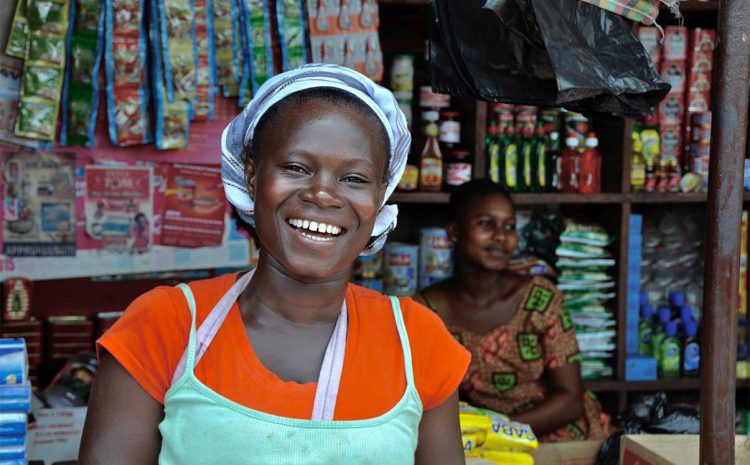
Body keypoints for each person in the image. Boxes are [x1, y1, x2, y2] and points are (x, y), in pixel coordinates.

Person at [78, 64, 470, 465]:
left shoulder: (418, 343)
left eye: (354, 178)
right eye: (296, 168)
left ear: (380, 197)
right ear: (251, 177)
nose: (322, 194)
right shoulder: (166, 325)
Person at [416, 179, 610, 442]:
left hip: (557, 437)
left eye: (509, 226)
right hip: (476, 443)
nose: (501, 236)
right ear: (454, 232)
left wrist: (498, 432)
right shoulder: (425, 311)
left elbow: (570, 399)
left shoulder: (540, 298)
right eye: (486, 224)